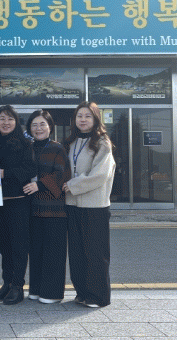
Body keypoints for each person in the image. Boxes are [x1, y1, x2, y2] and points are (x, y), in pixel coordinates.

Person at [62, 101, 116, 308]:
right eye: (79, 116)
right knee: (77, 253)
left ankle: (98, 296)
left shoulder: (102, 143)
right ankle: (82, 292)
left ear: (95, 119)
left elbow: (100, 175)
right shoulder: (71, 142)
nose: (83, 120)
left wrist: (72, 185)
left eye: (87, 116)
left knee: (95, 253)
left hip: (95, 206)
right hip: (72, 204)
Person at [0, 105, 36, 305]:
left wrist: (4, 173)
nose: (5, 123)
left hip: (19, 202)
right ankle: (7, 283)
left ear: (16, 122)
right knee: (4, 246)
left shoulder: (26, 143)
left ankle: (18, 286)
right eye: (2, 119)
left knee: (19, 245)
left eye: (10, 119)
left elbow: (30, 168)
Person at [22, 109, 70, 303]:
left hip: (54, 211)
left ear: (50, 127)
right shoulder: (28, 148)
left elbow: (61, 175)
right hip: (33, 210)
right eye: (34, 125)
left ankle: (52, 293)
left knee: (53, 253)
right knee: (36, 252)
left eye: (42, 124)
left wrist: (39, 185)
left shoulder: (57, 148)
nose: (38, 128)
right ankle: (35, 289)